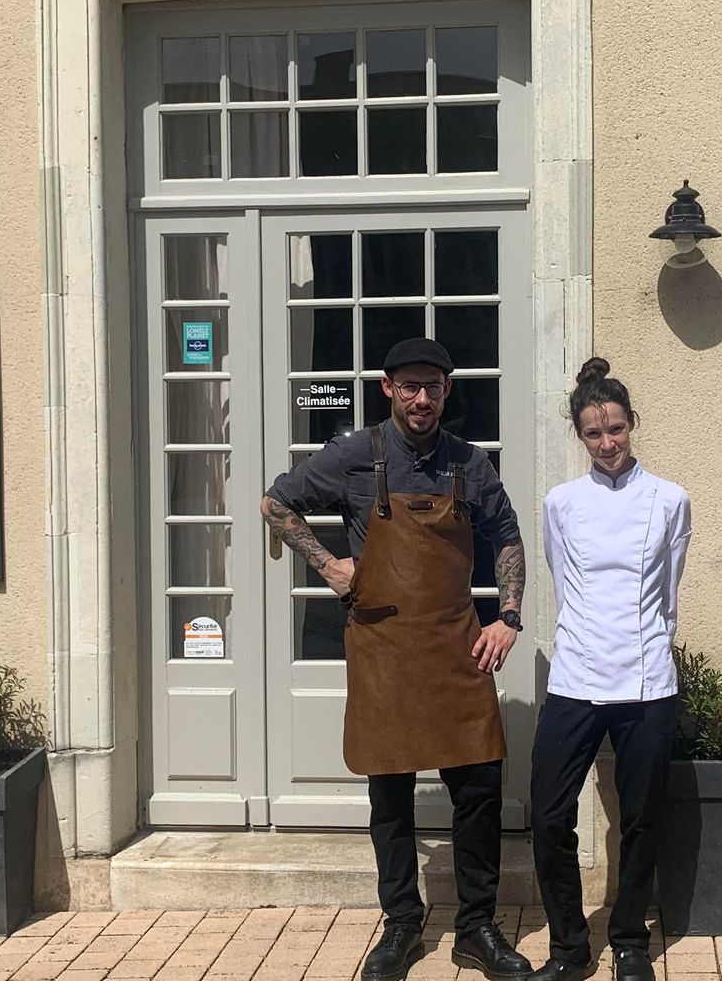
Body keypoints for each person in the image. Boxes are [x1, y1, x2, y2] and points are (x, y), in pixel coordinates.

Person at [261, 337, 533, 981]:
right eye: (409, 386)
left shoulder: (470, 462)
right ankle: (402, 924)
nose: (421, 399)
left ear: (446, 391)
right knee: (391, 797)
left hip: (458, 648)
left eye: (432, 387)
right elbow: (276, 502)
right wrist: (328, 565)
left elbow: (507, 535)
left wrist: (508, 617)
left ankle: (477, 929)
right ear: (388, 388)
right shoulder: (354, 455)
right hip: (382, 649)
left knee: (479, 790)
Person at [526, 358, 692, 981]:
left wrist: (653, 644)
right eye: (594, 433)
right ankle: (569, 947)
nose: (607, 443)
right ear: (580, 435)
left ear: (632, 424)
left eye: (616, 429)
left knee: (641, 817)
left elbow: (668, 591)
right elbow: (563, 580)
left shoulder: (670, 500)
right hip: (576, 674)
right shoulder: (561, 502)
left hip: (647, 679)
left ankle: (628, 941)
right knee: (549, 814)